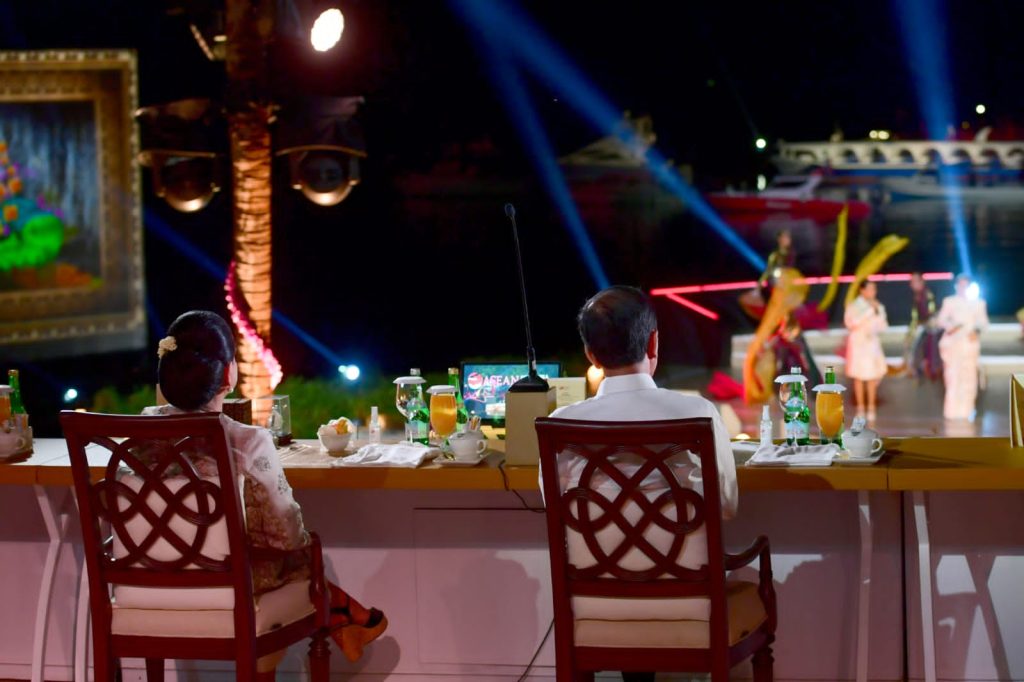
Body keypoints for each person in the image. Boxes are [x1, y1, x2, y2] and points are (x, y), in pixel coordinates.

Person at [143, 311, 387, 670]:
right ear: (229, 374)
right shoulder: (245, 440)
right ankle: (345, 615)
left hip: (152, 587)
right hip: (231, 592)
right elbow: (287, 536)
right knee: (303, 555)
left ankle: (349, 617)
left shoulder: (139, 432)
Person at [540, 286, 738, 682]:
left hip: (595, 603)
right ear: (653, 343)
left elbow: (554, 506)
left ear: (591, 354)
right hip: (689, 602)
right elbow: (726, 505)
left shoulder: (563, 424)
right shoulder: (696, 412)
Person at [936, 274, 989, 420]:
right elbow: (941, 320)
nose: (962, 287)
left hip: (969, 344)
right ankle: (952, 411)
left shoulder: (979, 303)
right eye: (960, 284)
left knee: (969, 377)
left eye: (965, 285)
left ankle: (967, 410)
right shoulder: (949, 301)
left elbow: (983, 322)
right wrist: (951, 326)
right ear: (956, 286)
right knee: (952, 376)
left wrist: (976, 330)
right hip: (953, 344)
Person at [843, 280, 888, 422]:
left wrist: (877, 313)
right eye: (869, 289)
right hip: (858, 343)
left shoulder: (878, 306)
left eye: (874, 289)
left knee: (872, 376)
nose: (872, 292)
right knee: (859, 377)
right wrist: (869, 311)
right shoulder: (854, 306)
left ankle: (871, 407)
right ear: (862, 290)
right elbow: (851, 323)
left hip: (872, 344)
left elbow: (883, 326)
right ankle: (860, 407)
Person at [906, 272, 939, 379]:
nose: (913, 284)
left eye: (916, 281)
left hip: (930, 330)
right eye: (912, 281)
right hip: (923, 328)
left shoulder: (927, 295)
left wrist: (918, 325)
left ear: (922, 282)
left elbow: (931, 313)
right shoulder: (917, 296)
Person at [757, 229, 796, 297]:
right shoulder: (774, 254)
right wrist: (760, 283)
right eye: (784, 237)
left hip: (787, 283)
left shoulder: (791, 254)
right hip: (774, 284)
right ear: (779, 239)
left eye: (787, 237)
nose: (786, 239)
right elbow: (768, 270)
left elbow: (790, 268)